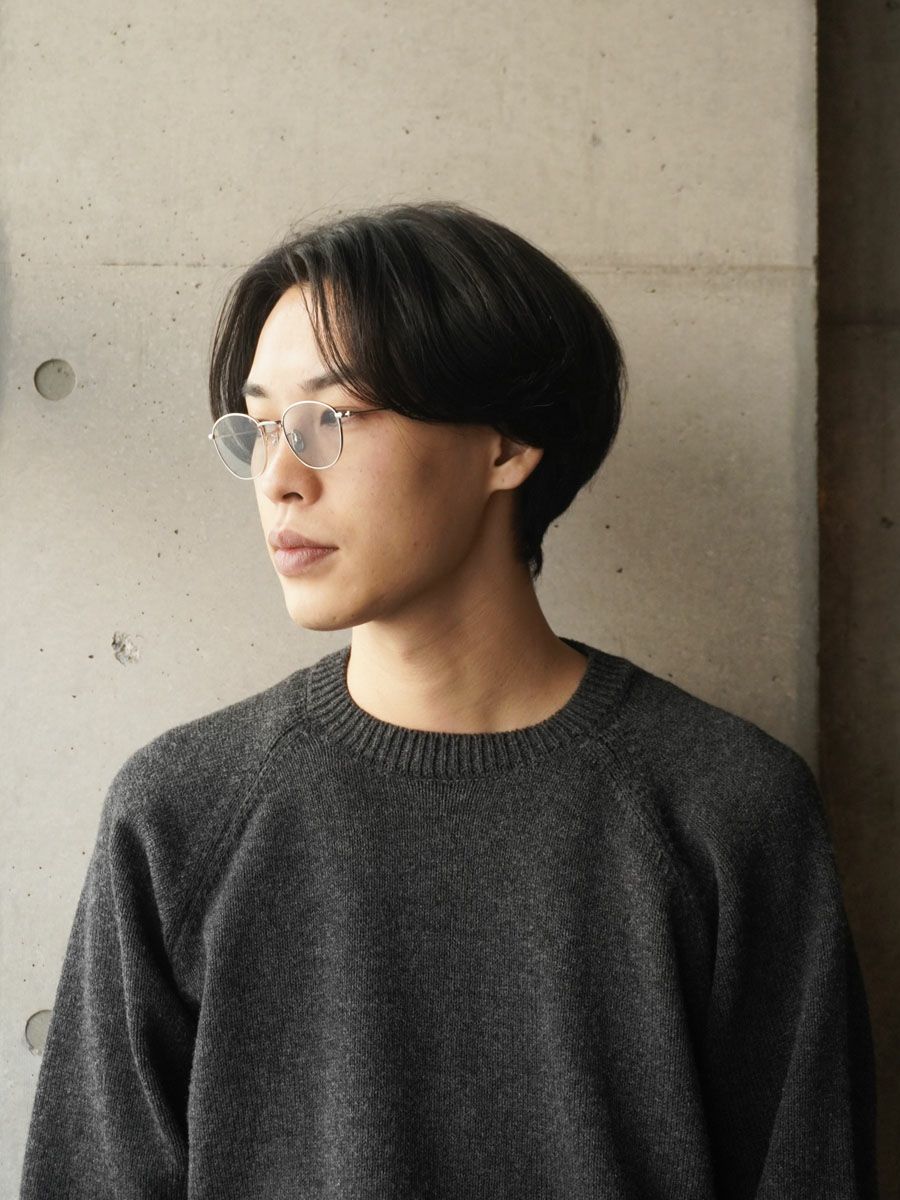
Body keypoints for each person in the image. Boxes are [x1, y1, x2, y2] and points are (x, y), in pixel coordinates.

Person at [20, 201, 878, 1199]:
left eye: (328, 420)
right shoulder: (182, 812)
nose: (278, 479)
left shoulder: (727, 807)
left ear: (504, 446)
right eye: (257, 429)